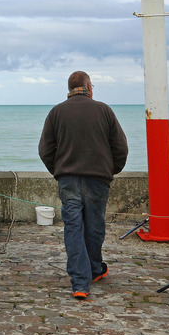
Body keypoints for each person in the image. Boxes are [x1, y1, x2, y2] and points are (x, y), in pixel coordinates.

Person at [38, 71, 128, 300]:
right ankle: (95, 270)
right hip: (98, 179)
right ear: (89, 86)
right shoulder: (104, 110)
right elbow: (120, 148)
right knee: (94, 227)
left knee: (74, 228)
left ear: (69, 89)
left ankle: (80, 283)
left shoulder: (56, 112)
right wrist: (110, 170)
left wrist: (59, 171)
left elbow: (45, 150)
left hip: (68, 179)